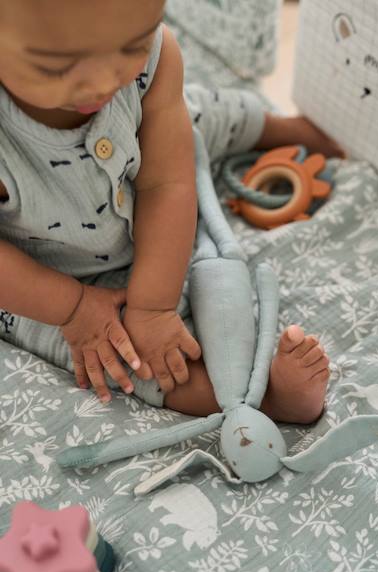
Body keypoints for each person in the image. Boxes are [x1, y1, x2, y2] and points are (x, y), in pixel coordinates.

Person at [0, 0, 341, 424]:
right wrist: (72, 308)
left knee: (202, 114)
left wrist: (153, 306)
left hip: (149, 161)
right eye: (55, 67)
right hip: (42, 278)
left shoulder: (153, 64)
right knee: (128, 362)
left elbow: (166, 184)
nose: (105, 82)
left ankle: (276, 126)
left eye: (132, 44)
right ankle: (266, 400)